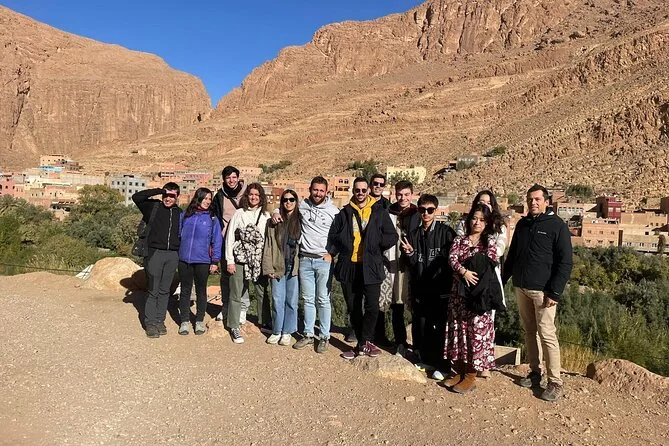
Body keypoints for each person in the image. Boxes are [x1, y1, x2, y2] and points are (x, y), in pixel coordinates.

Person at [503, 184, 573, 402]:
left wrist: (555, 292)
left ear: (546, 202)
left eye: (537, 199)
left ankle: (555, 381)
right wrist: (501, 281)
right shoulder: (523, 224)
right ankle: (535, 372)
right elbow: (512, 255)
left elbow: (565, 262)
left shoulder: (557, 226)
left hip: (544, 292)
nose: (532, 203)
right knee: (529, 332)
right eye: (530, 199)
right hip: (521, 287)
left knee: (547, 334)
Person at [330, 177, 398, 359]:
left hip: (371, 266)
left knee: (372, 306)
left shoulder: (379, 212)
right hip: (349, 265)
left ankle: (366, 340)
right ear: (353, 191)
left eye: (363, 190)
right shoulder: (344, 213)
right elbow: (334, 236)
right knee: (353, 307)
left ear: (368, 191)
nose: (360, 193)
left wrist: (375, 244)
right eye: (357, 190)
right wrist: (333, 251)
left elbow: (392, 236)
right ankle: (362, 344)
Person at [274, 176, 340, 354]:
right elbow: (285, 207)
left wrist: (332, 253)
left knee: (323, 299)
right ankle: (309, 334)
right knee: (308, 299)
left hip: (323, 261)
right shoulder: (302, 206)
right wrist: (275, 212)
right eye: (315, 190)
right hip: (304, 259)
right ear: (310, 190)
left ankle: (324, 336)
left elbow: (340, 234)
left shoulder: (333, 211)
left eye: (321, 190)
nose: (318, 193)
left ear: (326, 192)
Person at [443, 204, 498, 393]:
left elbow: (490, 262)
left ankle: (470, 376)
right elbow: (452, 259)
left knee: (475, 334)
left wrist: (469, 268)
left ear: (487, 223)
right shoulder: (460, 240)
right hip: (459, 295)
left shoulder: (489, 242)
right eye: (474, 218)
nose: (477, 222)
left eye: (482, 219)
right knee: (459, 331)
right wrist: (463, 271)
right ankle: (459, 372)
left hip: (478, 297)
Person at [399, 194, 455, 379]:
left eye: (430, 210)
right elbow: (412, 262)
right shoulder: (413, 234)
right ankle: (424, 359)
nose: (426, 213)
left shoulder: (446, 233)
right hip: (420, 288)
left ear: (436, 211)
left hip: (440, 289)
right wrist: (409, 254)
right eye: (422, 210)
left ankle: (443, 365)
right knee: (421, 325)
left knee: (440, 327)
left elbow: (453, 260)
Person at [458, 190, 508, 378]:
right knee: (467, 320)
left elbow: (499, 250)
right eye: (481, 201)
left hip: (488, 277)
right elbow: (459, 245)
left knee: (487, 320)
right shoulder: (465, 223)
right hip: (467, 275)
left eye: (488, 202)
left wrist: (479, 254)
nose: (484, 204)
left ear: (492, 205)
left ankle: (484, 363)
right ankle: (468, 361)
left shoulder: (499, 227)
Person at [132, 183, 182, 338]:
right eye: (166, 195)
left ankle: (160, 320)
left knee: (165, 290)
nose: (168, 198)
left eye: (172, 196)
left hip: (172, 255)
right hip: (154, 253)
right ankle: (150, 323)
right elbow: (137, 197)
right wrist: (159, 190)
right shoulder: (153, 207)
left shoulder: (180, 213)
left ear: (177, 197)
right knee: (153, 289)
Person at [224, 183, 271, 344]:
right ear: (247, 196)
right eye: (251, 194)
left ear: (261, 197)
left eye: (257, 195)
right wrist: (229, 260)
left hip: (258, 259)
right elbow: (230, 237)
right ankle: (234, 325)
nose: (253, 197)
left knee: (262, 291)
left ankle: (265, 322)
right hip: (239, 258)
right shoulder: (239, 213)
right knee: (236, 292)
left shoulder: (265, 215)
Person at [177, 188, 223, 336]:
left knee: (201, 291)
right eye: (205, 198)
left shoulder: (212, 219)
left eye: (210, 199)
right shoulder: (185, 215)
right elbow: (178, 235)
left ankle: (199, 321)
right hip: (184, 259)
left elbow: (217, 240)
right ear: (198, 198)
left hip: (203, 260)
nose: (207, 201)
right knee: (185, 290)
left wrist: (215, 261)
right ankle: (184, 321)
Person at [384, 180, 419, 356]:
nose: (403, 198)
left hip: (413, 265)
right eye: (399, 194)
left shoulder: (418, 214)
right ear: (394, 194)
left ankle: (418, 345)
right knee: (396, 304)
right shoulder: (388, 213)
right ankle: (400, 342)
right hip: (394, 263)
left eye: (406, 194)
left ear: (412, 195)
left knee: (415, 305)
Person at [262, 189, 301, 346]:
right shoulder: (274, 222)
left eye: (291, 199)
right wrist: (268, 267)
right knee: (277, 299)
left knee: (291, 301)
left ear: (296, 202)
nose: (288, 202)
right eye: (285, 200)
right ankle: (277, 330)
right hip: (278, 265)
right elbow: (268, 245)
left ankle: (287, 331)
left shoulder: (301, 219)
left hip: (294, 266)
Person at [211, 166, 248, 323]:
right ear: (224, 179)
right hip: (225, 240)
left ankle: (243, 309)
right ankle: (225, 306)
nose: (231, 180)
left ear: (238, 178)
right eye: (228, 178)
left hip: (244, 242)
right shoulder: (220, 196)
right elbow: (212, 213)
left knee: (243, 276)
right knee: (226, 276)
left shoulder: (247, 193)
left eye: (234, 177)